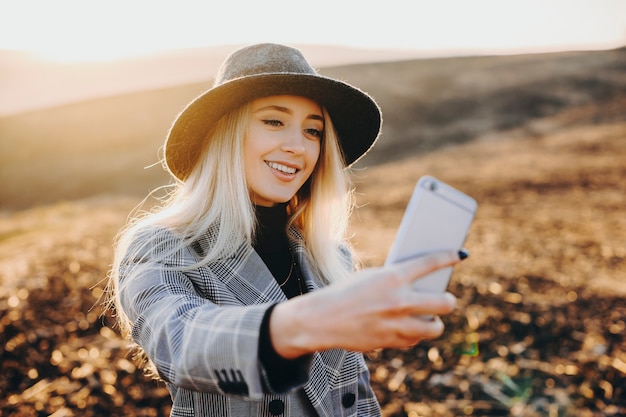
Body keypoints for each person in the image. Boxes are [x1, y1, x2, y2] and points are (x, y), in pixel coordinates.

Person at [108, 43, 464, 417]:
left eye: (313, 131)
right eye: (274, 121)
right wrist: (309, 322)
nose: (298, 147)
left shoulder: (330, 256)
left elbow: (355, 397)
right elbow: (180, 343)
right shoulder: (161, 245)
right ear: (225, 133)